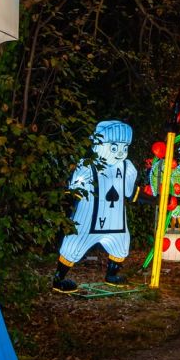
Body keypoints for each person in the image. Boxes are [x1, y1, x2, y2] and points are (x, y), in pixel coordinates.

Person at [54, 120, 139, 293]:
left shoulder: (126, 167)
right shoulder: (87, 166)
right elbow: (74, 189)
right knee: (73, 246)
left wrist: (157, 199)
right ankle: (59, 278)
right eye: (114, 147)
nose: (120, 153)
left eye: (124, 148)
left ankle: (112, 275)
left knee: (121, 245)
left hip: (116, 222)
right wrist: (70, 201)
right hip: (88, 219)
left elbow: (131, 193)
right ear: (99, 144)